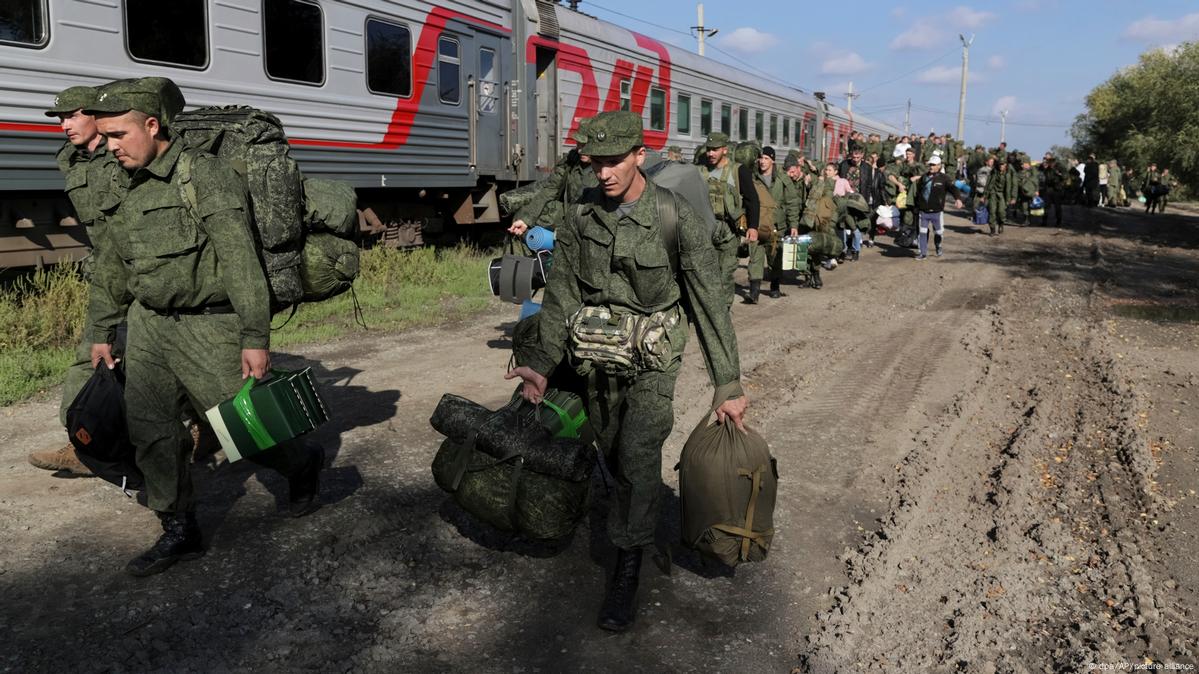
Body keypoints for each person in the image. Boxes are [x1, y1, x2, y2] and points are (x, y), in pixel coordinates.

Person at [504, 110, 748, 633]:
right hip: (595, 355)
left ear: (640, 155)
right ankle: (628, 509)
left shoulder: (674, 216)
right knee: (611, 449)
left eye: (615, 162)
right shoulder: (580, 217)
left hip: (652, 360)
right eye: (596, 164)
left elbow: (708, 303)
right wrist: (542, 366)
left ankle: (627, 568)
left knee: (638, 453)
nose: (605, 174)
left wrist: (727, 384)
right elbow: (562, 293)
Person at [85, 78, 325, 577]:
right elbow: (110, 263)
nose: (111, 146)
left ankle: (301, 462)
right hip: (147, 327)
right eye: (105, 136)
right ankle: (179, 530)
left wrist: (255, 337)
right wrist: (101, 329)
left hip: (209, 327)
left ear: (152, 126)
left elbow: (240, 261)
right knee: (152, 433)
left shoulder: (205, 174)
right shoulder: (118, 182)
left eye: (119, 134)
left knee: (247, 428)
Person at [26, 86, 118, 477]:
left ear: (98, 115)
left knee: (167, 360)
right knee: (91, 354)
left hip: (146, 271)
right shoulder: (73, 160)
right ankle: (80, 442)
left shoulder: (124, 154)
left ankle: (206, 427)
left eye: (73, 116)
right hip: (110, 272)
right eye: (60, 118)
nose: (64, 125)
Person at [701, 132, 759, 303]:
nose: (710, 154)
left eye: (715, 150)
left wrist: (753, 227)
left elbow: (752, 200)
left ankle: (723, 312)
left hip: (729, 231)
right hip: (706, 230)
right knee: (707, 275)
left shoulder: (738, 170)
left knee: (725, 274)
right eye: (709, 150)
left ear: (724, 150)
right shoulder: (701, 169)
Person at [750, 146, 799, 299]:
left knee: (774, 257)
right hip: (757, 223)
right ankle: (754, 290)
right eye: (760, 158)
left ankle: (775, 285)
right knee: (755, 256)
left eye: (766, 158)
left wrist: (794, 225)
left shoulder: (782, 179)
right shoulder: (753, 177)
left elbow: (792, 202)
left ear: (772, 160)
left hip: (776, 225)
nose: (762, 162)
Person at [912, 155, 963, 259]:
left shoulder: (944, 178)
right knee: (922, 232)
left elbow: (953, 189)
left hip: (937, 212)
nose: (931, 167)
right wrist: (917, 205)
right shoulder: (924, 177)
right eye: (930, 164)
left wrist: (958, 199)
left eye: (934, 165)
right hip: (924, 211)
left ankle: (938, 246)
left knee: (939, 233)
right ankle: (923, 253)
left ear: (939, 166)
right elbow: (918, 192)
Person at [837, 147, 875, 261]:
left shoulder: (867, 167)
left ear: (862, 155)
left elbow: (868, 185)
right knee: (844, 224)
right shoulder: (844, 165)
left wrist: (866, 201)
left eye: (858, 157)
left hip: (858, 199)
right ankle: (845, 249)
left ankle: (855, 249)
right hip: (845, 198)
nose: (855, 159)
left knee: (856, 225)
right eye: (853, 157)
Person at [983, 159, 1016, 236]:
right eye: (1000, 164)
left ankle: (1001, 224)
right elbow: (988, 183)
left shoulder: (1009, 174)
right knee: (992, 211)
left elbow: (1014, 185)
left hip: (1003, 195)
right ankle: (992, 229)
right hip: (993, 193)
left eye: (1003, 164)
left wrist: (1013, 197)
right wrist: (984, 195)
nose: (1001, 166)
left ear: (1006, 165)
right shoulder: (993, 172)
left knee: (1001, 212)